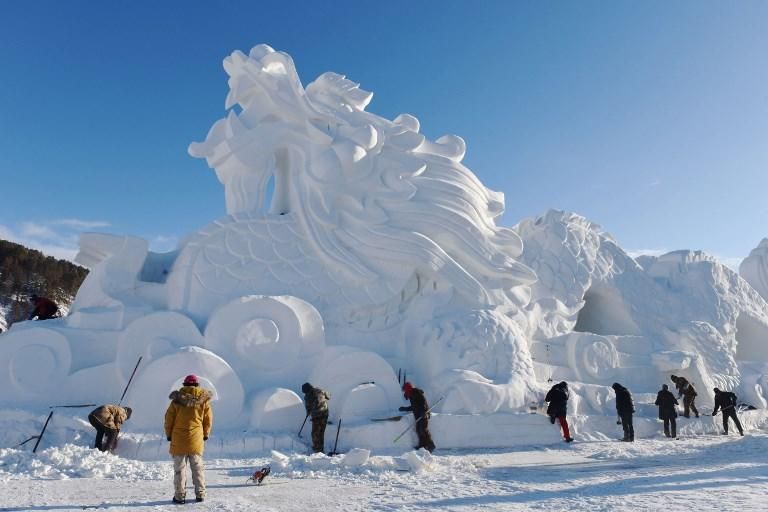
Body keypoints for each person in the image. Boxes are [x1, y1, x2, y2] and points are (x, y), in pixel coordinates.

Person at [164, 374, 213, 504]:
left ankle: (179, 496)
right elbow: (208, 420)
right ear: (197, 385)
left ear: (184, 385)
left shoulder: (176, 401)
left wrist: (169, 434)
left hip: (178, 439)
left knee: (180, 470)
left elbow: (169, 419)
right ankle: (200, 494)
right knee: (197, 468)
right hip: (196, 439)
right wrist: (205, 434)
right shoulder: (204, 401)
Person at [399, 381, 436, 452]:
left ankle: (431, 446)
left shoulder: (416, 393)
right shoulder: (411, 395)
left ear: (407, 389)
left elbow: (423, 402)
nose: (404, 392)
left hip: (423, 414)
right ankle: (422, 446)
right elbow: (414, 407)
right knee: (418, 430)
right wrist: (405, 408)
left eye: (405, 390)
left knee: (423, 430)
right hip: (418, 415)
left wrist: (424, 411)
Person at [301, 382, 331, 453]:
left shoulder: (308, 396)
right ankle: (321, 448)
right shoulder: (320, 390)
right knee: (321, 432)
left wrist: (308, 413)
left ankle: (318, 449)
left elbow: (308, 408)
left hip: (317, 416)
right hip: (325, 414)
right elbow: (329, 396)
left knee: (315, 433)